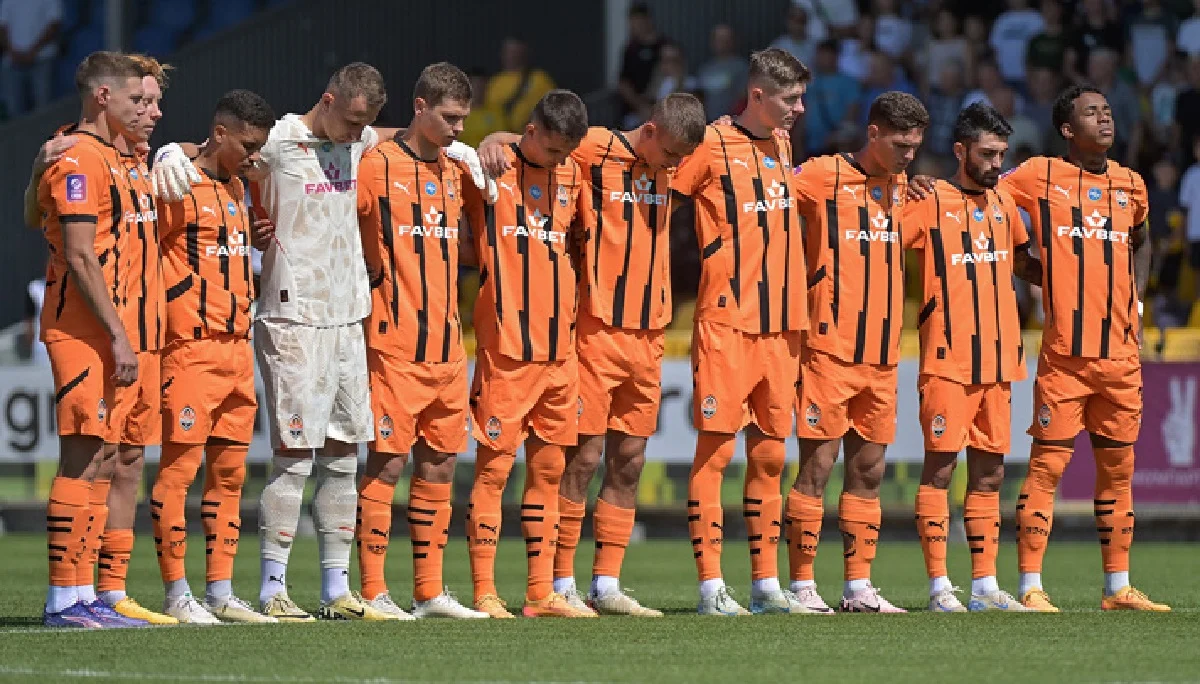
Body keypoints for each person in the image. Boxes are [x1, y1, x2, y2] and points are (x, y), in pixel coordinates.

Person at [479, 93, 706, 616]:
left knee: (630, 459)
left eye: (681, 158)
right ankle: (560, 581)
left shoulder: (674, 163)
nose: (675, 165)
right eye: (671, 153)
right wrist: (493, 140)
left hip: (650, 333)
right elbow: (531, 143)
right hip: (595, 328)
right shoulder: (594, 147)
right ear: (651, 130)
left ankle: (606, 583)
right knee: (581, 458)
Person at [1000, 85, 1169, 612]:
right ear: (1068, 129)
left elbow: (1142, 240)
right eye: (1091, 113)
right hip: (1065, 359)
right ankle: (1030, 585)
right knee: (1047, 468)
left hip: (1120, 357)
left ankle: (1117, 588)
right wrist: (1026, 263)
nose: (1105, 118)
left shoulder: (1131, 184)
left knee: (1118, 472)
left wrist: (1136, 301)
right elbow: (984, 198)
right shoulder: (1038, 174)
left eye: (1108, 111)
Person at [670, 48, 810, 616]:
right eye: (790, 99)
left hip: (783, 327)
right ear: (757, 95)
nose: (800, 109)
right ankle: (711, 588)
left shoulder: (781, 145)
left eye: (801, 98)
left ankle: (765, 585)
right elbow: (661, 195)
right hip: (728, 323)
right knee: (715, 454)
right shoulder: (709, 143)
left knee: (771, 456)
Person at [353, 62, 489, 620]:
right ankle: (372, 591)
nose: (459, 129)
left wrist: (487, 147)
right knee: (386, 465)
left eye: (463, 120)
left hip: (448, 348)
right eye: (450, 118)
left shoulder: (457, 173)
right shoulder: (375, 164)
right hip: (394, 345)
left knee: (440, 466)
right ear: (420, 108)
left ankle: (429, 592)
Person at [787, 91, 929, 614]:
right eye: (900, 145)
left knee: (869, 472)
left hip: (883, 356)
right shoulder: (821, 175)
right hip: (829, 350)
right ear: (873, 133)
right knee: (817, 468)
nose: (908, 156)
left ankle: (858, 587)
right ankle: (801, 585)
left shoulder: (903, 188)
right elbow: (768, 193)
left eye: (915, 147)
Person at [460, 89, 595, 619]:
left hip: (560, 352)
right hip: (507, 350)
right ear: (531, 132)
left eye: (567, 152)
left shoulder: (572, 174)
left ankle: (541, 594)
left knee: (549, 472)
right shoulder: (490, 168)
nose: (560, 160)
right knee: (493, 473)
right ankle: (484, 591)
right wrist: (493, 142)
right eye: (553, 150)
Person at [150, 89, 278, 624]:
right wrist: (169, 150)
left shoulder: (236, 189)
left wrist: (251, 239)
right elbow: (147, 254)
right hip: (190, 348)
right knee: (178, 474)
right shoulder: (176, 183)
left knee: (229, 477)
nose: (254, 156)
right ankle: (176, 593)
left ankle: (220, 591)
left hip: (236, 349)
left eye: (260, 147)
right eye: (247, 145)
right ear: (219, 133)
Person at [903, 103, 1037, 613]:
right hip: (948, 359)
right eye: (986, 154)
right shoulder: (930, 199)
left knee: (990, 475)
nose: (996, 163)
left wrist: (1072, 276)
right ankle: (940, 587)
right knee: (940, 471)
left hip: (999, 361)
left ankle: (984, 585)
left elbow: (1021, 261)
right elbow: (883, 240)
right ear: (960, 151)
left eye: (1001, 154)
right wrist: (903, 186)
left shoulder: (1005, 202)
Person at [37, 51, 145, 628]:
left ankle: (85, 594)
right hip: (82, 329)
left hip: (107, 327)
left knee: (102, 457)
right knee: (81, 455)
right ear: (104, 96)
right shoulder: (78, 155)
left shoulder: (110, 155)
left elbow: (34, 213)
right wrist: (119, 336)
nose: (144, 108)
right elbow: (80, 255)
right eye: (135, 98)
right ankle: (62, 598)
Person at [0, 0, 61, 117]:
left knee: (43, 106)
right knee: (13, 109)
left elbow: (54, 24)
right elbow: (2, 26)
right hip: (12, 61)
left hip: (42, 59)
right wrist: (11, 51)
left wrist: (33, 51)